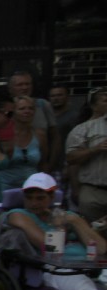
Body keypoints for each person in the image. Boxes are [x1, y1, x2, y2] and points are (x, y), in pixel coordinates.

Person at [64, 92, 107, 223]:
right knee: (89, 232)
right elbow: (71, 158)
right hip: (94, 192)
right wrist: (96, 149)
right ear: (93, 106)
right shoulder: (84, 128)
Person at [1, 95, 46, 189]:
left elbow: (44, 163)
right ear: (13, 112)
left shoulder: (40, 135)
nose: (27, 111)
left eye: (31, 108)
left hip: (32, 189)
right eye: (22, 109)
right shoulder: (2, 134)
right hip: (5, 187)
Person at [48, 84, 81, 173]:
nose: (56, 98)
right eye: (53, 96)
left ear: (67, 97)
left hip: (63, 165)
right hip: (46, 164)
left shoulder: (74, 117)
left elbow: (77, 143)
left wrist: (68, 165)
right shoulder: (45, 116)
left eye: (59, 95)